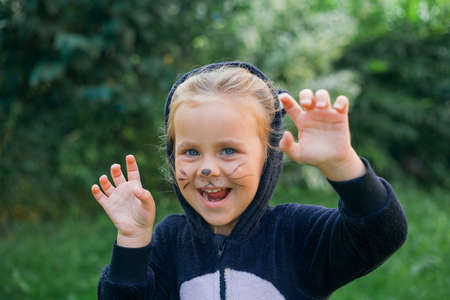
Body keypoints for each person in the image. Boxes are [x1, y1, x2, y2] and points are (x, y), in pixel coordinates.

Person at [92, 61, 407, 299]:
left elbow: (382, 233)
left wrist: (341, 164)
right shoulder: (169, 242)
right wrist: (132, 241)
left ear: (267, 156)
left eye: (228, 150)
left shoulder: (295, 235)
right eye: (190, 151)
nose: (207, 169)